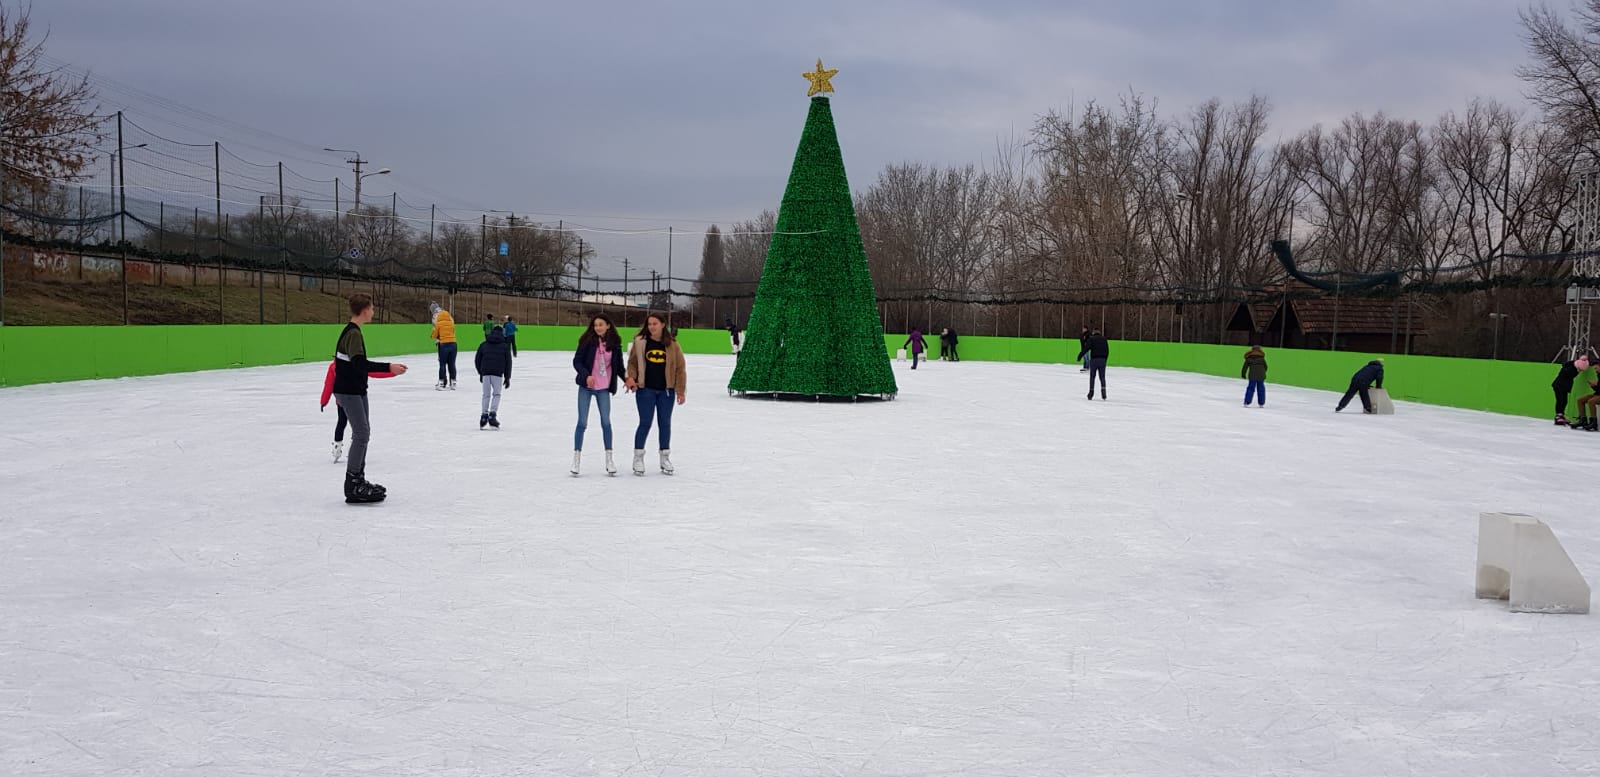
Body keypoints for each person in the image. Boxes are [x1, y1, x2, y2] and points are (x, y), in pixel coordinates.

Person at [332, 294, 408, 503]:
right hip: (349, 391)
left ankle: (359, 480)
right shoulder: (353, 334)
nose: (373, 312)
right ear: (364, 310)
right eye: (372, 309)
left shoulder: (353, 332)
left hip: (356, 389)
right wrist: (388, 368)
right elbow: (359, 364)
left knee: (363, 432)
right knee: (362, 433)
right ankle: (353, 483)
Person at [625, 313, 688, 475]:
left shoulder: (673, 345)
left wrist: (680, 390)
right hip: (645, 390)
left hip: (666, 391)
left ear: (662, 324)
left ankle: (664, 457)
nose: (651, 326)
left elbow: (680, 369)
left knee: (665, 423)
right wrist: (631, 377)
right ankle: (638, 456)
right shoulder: (640, 342)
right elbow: (632, 363)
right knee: (645, 422)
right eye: (649, 324)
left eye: (655, 323)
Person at [573, 314, 626, 475]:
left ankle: (609, 459)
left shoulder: (615, 344)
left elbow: (618, 367)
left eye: (601, 325)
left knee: (606, 422)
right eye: (595, 325)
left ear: (608, 326)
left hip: (603, 388)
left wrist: (627, 379)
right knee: (582, 422)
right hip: (587, 387)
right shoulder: (587, 341)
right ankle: (576, 459)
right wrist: (586, 375)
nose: (598, 328)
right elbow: (577, 361)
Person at [320, 358, 393, 462]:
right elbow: (329, 384)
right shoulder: (350, 365)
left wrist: (324, 401)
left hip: (344, 401)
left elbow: (329, 385)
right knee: (355, 425)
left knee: (343, 423)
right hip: (355, 400)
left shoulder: (335, 366)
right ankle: (346, 448)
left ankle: (339, 447)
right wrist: (392, 372)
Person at [475, 324, 513, 429]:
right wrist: (507, 377)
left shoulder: (483, 344)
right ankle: (492, 415)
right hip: (497, 374)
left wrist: (481, 372)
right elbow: (508, 362)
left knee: (486, 395)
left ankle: (483, 416)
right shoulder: (505, 346)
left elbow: (477, 359)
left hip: (486, 373)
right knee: (496, 394)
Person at [1551, 354, 1591, 426]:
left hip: (1562, 386)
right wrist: (1577, 371)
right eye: (1580, 369)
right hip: (1559, 386)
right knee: (1561, 400)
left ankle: (1561, 415)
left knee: (1563, 401)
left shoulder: (1570, 366)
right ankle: (1558, 415)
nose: (1580, 371)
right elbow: (1567, 375)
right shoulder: (1570, 370)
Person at [429, 302, 458, 390]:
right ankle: (453, 383)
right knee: (452, 364)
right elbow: (453, 330)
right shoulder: (450, 318)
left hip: (442, 342)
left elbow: (435, 331)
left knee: (442, 363)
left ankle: (442, 383)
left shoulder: (435, 317)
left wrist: (435, 336)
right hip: (453, 342)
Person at [1078, 328, 1109, 400]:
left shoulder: (1091, 339)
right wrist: (1105, 360)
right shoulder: (1104, 339)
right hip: (1102, 360)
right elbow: (1107, 350)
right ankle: (1103, 392)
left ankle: (1091, 393)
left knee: (1092, 377)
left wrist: (1080, 356)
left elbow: (1086, 348)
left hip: (1094, 360)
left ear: (1094, 333)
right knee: (1102, 377)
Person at [1572, 363, 1600, 431]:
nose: (1595, 370)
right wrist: (1594, 386)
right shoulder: (1599, 374)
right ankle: (1583, 420)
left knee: (1591, 401)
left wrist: (1596, 385)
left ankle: (1593, 422)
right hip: (1598, 394)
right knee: (1580, 400)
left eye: (1596, 368)